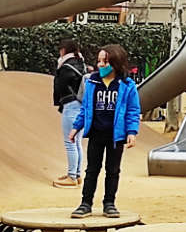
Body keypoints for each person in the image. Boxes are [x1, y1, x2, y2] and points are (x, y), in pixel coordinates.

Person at [68, 44, 140, 218]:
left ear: (116, 63)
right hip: (96, 132)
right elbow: (85, 107)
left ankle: (109, 203)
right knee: (92, 169)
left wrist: (132, 132)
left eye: (105, 61)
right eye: (99, 60)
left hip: (116, 135)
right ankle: (85, 203)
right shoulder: (92, 81)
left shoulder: (127, 85)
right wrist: (76, 127)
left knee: (113, 170)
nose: (100, 64)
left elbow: (133, 110)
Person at [53, 39, 86, 188]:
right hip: (80, 105)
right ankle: (76, 174)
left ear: (64, 50)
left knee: (70, 141)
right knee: (77, 142)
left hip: (71, 105)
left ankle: (72, 176)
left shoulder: (66, 67)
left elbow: (60, 87)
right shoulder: (81, 63)